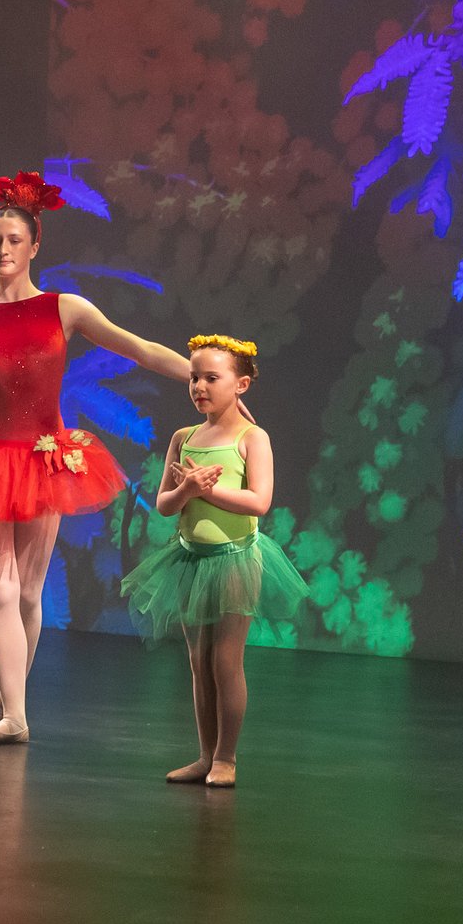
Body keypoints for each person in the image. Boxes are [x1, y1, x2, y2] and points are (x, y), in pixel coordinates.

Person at [0, 170, 194, 743]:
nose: (3, 250)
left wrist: (203, 378)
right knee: (1, 589)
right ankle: (15, 716)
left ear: (35, 245)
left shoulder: (65, 308)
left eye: (14, 240)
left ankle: (8, 702)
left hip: (45, 458)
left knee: (30, 593)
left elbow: (139, 349)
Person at [117, 335, 307, 787]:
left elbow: (259, 501)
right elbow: (165, 505)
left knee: (225, 662)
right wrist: (186, 490)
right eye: (193, 378)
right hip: (189, 560)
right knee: (198, 662)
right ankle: (205, 755)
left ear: (241, 385)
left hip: (234, 559)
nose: (199, 387)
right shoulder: (183, 438)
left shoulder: (252, 438)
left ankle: (226, 758)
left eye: (211, 378)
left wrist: (207, 489)